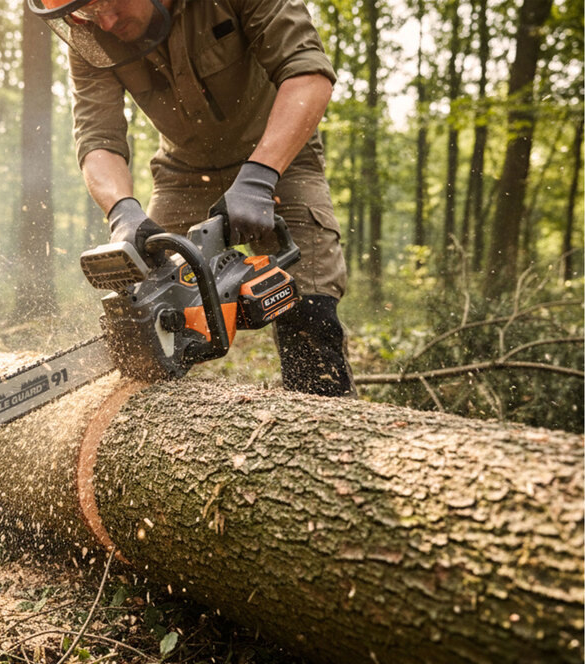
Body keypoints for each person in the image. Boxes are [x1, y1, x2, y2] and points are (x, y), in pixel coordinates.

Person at [28, 0, 355, 397]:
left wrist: (260, 176)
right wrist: (122, 212)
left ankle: (326, 430)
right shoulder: (92, 34)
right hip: (183, 173)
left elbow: (309, 73)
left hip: (280, 156)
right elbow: (98, 137)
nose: (107, 21)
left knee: (310, 315)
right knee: (146, 312)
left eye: (111, 2)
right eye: (91, 14)